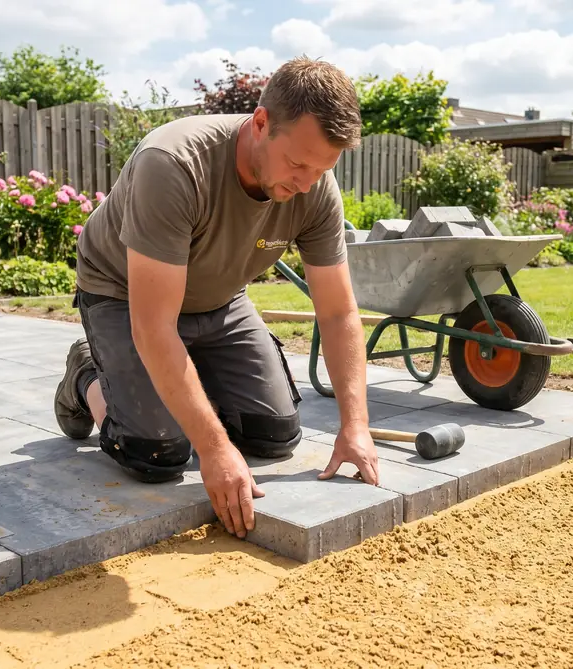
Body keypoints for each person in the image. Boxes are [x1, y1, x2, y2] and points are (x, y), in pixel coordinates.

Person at [52, 56, 379, 540]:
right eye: (297, 163)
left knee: (275, 437)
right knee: (158, 453)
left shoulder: (314, 186)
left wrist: (356, 425)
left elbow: (337, 311)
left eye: (321, 169)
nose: (306, 182)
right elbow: (154, 326)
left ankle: (178, 382)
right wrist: (214, 448)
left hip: (221, 299)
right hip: (124, 296)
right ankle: (87, 375)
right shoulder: (173, 164)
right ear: (261, 123)